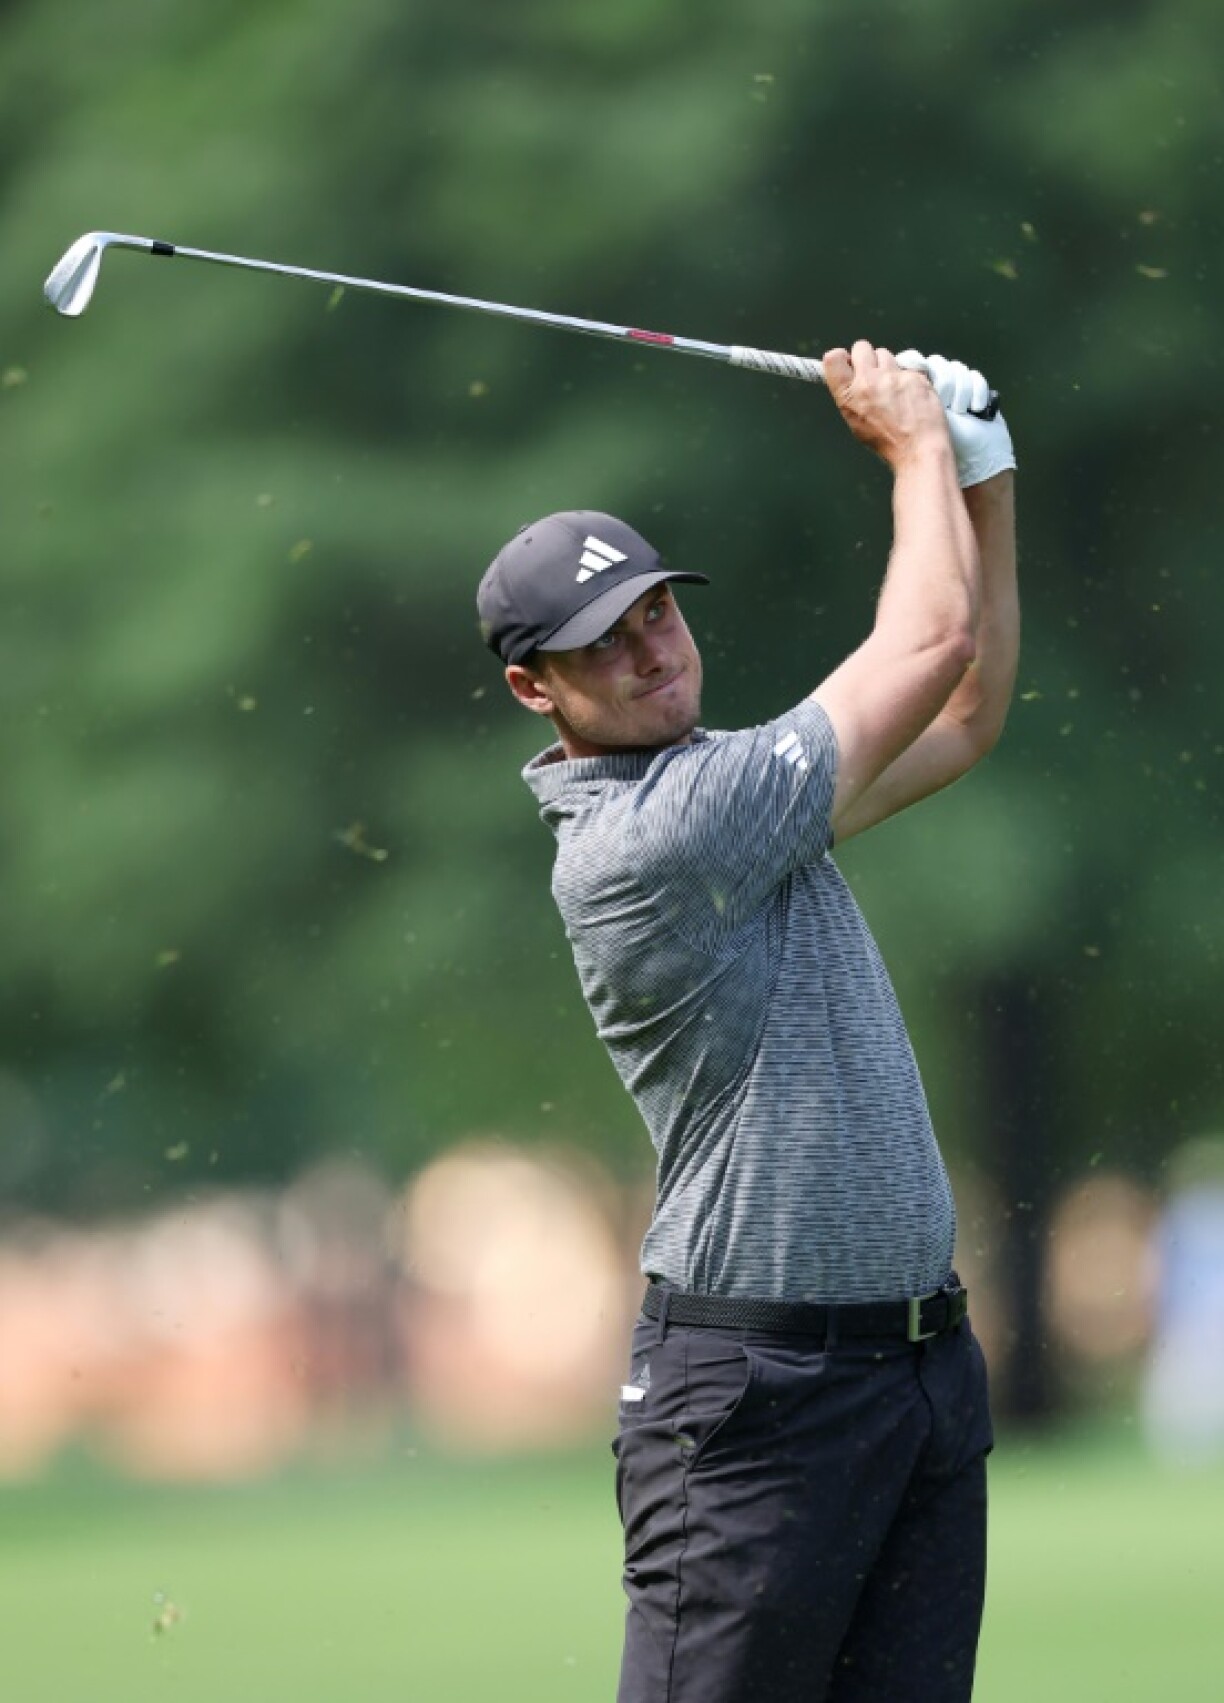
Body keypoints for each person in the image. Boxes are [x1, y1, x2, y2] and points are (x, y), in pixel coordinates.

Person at [476, 341, 1018, 1703]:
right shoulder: (655, 840)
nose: (649, 652)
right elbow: (930, 639)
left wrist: (983, 474)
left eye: (657, 613)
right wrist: (910, 454)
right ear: (535, 688)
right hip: (757, 1405)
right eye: (600, 646)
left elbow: (964, 713)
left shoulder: (736, 793)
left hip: (915, 1377)